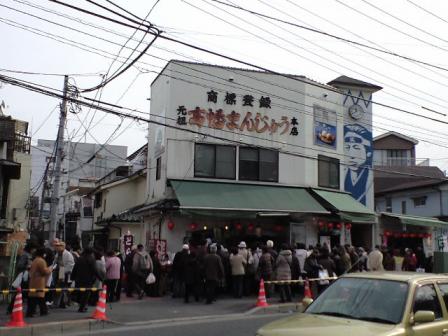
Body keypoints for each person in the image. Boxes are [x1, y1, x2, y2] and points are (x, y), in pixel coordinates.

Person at [27, 248, 53, 317]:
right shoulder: (41, 261)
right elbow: (44, 271)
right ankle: (41, 311)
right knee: (39, 297)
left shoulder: (35, 260)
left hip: (33, 281)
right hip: (39, 281)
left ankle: (40, 311)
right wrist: (50, 269)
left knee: (35, 298)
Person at [71, 247, 98, 313]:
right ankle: (82, 307)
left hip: (79, 279)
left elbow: (75, 268)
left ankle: (82, 305)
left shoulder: (80, 258)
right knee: (86, 294)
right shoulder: (91, 259)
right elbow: (94, 270)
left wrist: (72, 277)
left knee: (80, 292)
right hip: (88, 279)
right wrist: (100, 277)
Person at [53, 242, 75, 308]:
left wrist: (63, 271)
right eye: (57, 246)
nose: (57, 247)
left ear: (63, 247)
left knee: (63, 289)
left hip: (65, 273)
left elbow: (71, 265)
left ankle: (63, 303)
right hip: (58, 272)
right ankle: (60, 303)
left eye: (59, 246)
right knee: (59, 289)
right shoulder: (57, 254)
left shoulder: (68, 254)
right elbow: (55, 262)